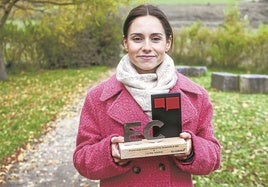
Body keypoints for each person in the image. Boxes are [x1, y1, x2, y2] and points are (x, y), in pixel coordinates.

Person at [73, 4, 221, 187]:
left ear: (168, 42)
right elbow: (81, 160)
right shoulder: (98, 98)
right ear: (125, 43)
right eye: (137, 38)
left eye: (156, 38)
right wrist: (110, 153)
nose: (147, 47)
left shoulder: (196, 96)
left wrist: (191, 150)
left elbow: (214, 156)